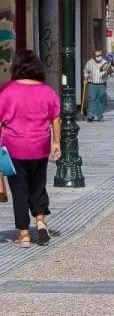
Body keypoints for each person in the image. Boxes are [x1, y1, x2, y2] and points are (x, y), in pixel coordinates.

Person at [0, 50, 62, 248]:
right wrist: (56, 143)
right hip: (40, 145)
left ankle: (24, 234)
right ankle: (40, 220)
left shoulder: (7, 90)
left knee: (19, 189)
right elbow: (55, 118)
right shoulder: (46, 91)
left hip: (14, 147)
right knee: (38, 184)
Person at [82, 49, 113, 122]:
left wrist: (109, 69)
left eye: (100, 55)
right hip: (92, 84)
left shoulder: (105, 62)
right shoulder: (89, 62)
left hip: (102, 83)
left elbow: (110, 71)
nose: (99, 57)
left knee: (100, 99)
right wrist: (85, 78)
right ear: (94, 56)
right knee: (92, 99)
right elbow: (86, 71)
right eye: (97, 55)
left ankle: (99, 115)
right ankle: (90, 115)